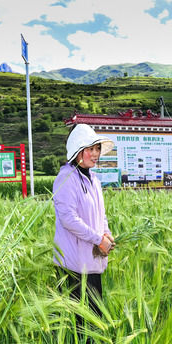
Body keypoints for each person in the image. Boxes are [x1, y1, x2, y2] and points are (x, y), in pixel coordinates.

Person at [52, 124, 114, 328]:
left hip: (93, 261)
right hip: (73, 265)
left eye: (97, 149)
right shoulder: (66, 178)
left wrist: (106, 233)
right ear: (78, 151)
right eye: (90, 149)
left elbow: (100, 214)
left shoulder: (94, 179)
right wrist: (98, 239)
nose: (95, 154)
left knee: (95, 318)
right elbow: (69, 219)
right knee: (78, 324)